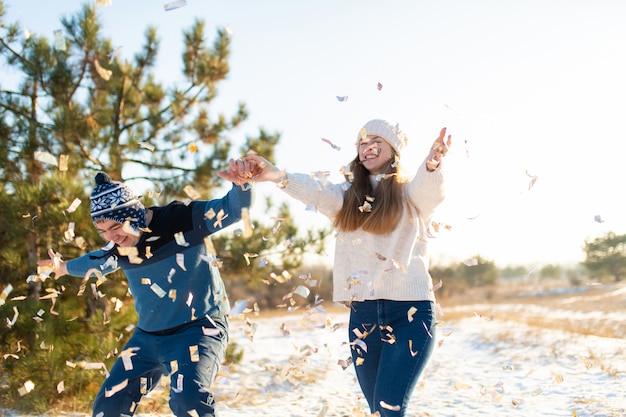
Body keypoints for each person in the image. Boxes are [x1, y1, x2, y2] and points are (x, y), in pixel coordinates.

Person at [238, 119, 452, 416]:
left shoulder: (409, 194)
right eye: (362, 142)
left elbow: (429, 191)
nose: (368, 147)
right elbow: (314, 190)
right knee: (378, 411)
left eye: (377, 140)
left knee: (389, 409)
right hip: (363, 317)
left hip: (410, 314)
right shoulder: (345, 196)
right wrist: (275, 174)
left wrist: (431, 165)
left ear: (394, 149)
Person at [39, 161, 257, 417]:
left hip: (199, 328)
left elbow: (233, 209)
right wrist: (63, 267)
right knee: (109, 404)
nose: (112, 237)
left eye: (116, 227)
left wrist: (242, 185)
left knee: (188, 401)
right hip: (147, 338)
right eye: (103, 232)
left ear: (135, 214)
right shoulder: (118, 247)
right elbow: (94, 263)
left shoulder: (185, 219)